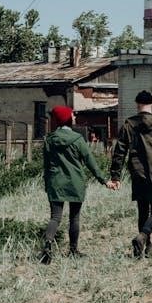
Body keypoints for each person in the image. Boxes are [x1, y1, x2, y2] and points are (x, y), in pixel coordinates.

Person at [108, 90, 152, 259]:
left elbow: (119, 152)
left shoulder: (129, 124)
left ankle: (145, 248)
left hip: (138, 171)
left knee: (142, 210)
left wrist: (115, 176)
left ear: (137, 104)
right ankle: (142, 237)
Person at [40, 105, 110, 264]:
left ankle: (48, 244)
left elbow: (46, 165)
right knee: (74, 218)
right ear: (67, 119)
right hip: (75, 182)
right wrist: (104, 180)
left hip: (55, 182)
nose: (74, 117)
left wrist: (47, 184)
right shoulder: (78, 139)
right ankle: (73, 250)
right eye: (72, 115)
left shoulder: (49, 140)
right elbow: (91, 162)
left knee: (55, 217)